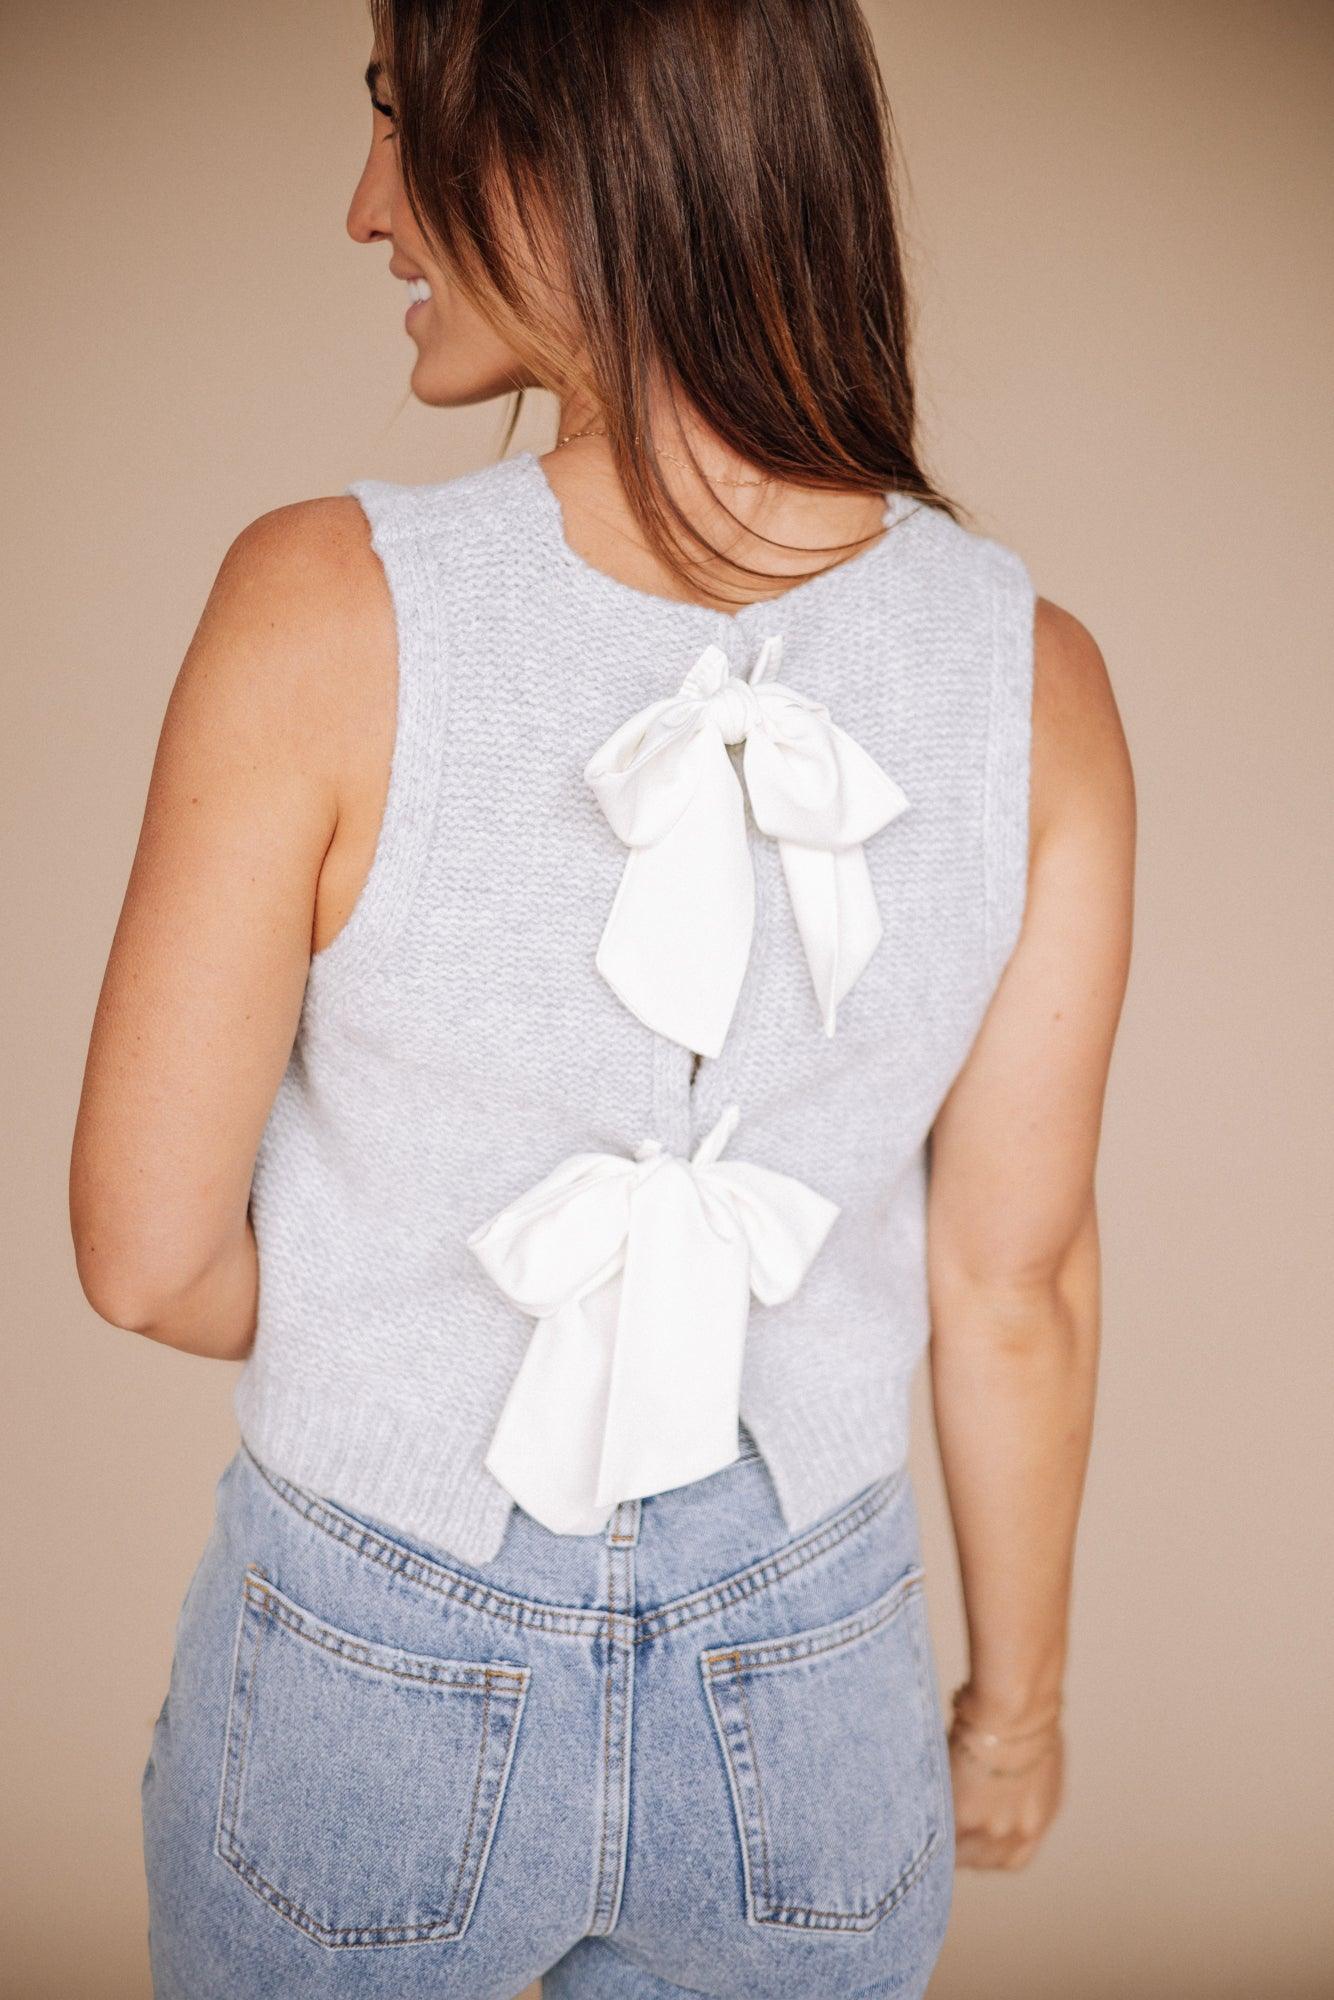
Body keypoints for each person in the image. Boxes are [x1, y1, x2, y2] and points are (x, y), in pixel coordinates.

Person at [68, 2, 1135, 1995]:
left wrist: (411, 1319)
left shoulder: (319, 606)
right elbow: (1015, 1286)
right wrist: (1014, 1717)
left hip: (374, 1659)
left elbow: (144, 1257)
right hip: (810, 1682)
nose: (366, 206)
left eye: (396, 121)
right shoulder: (1035, 683)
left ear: (562, 154)